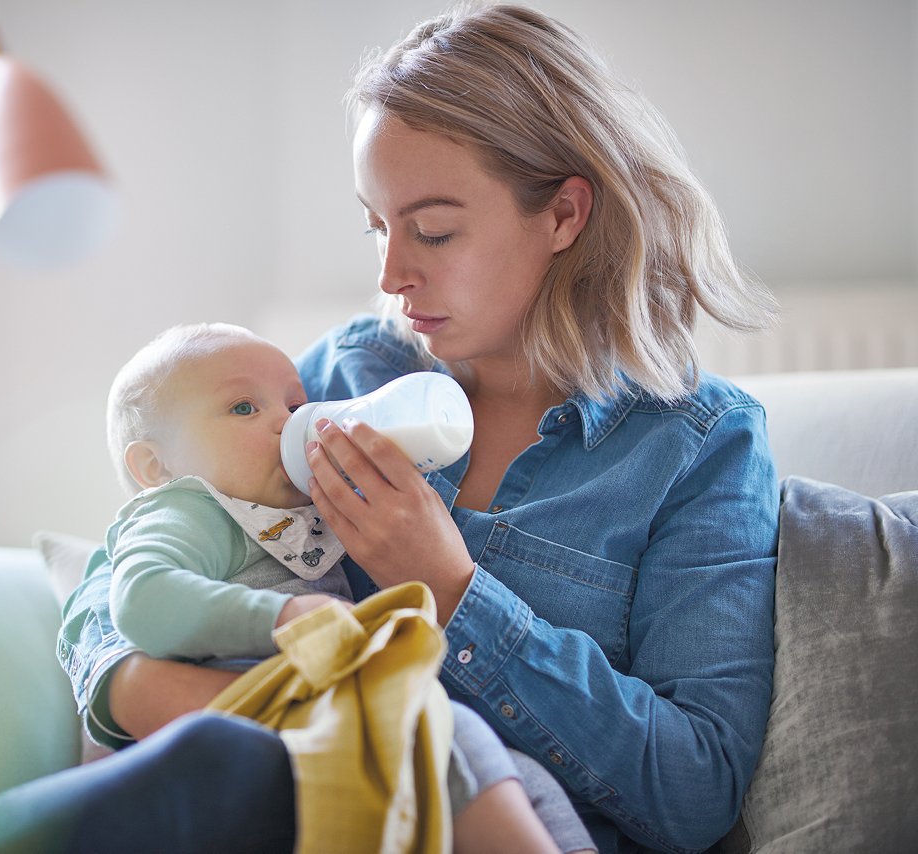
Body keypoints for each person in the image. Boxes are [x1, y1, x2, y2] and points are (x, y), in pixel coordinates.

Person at [60, 4, 779, 853]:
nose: (392, 273)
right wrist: (188, 701)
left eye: (433, 229)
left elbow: (694, 787)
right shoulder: (344, 379)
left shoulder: (695, 447)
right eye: (377, 224)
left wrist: (453, 590)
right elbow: (131, 563)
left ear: (563, 215)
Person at [98, 320, 595, 853]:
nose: (286, 426)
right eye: (244, 408)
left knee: (518, 773)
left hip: (330, 700)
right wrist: (279, 619)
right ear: (156, 465)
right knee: (454, 736)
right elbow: (139, 598)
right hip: (255, 716)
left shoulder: (300, 506)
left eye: (294, 406)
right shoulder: (191, 509)